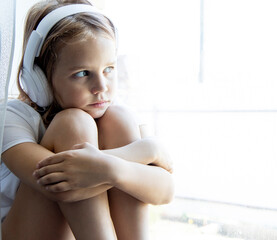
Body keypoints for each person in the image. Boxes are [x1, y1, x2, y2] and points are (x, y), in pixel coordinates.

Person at [0, 0, 174, 239]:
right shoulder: (12, 117)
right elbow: (63, 187)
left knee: (119, 118)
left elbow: (165, 192)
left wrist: (111, 168)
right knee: (73, 124)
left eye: (108, 69)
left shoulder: (116, 116)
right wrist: (146, 152)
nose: (101, 87)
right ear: (38, 76)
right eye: (82, 74)